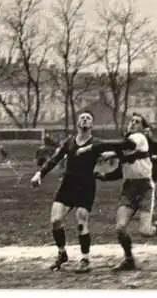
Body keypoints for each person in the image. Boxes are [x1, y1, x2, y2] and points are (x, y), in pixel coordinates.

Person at [77, 113, 157, 272]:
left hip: (144, 188)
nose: (132, 123)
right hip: (129, 189)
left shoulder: (138, 138)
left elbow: (123, 146)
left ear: (142, 128)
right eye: (131, 121)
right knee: (120, 228)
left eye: (137, 122)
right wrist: (103, 176)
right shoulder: (125, 145)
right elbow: (120, 171)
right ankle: (129, 260)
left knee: (146, 231)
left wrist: (91, 147)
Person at [30, 111, 118, 273]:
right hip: (68, 184)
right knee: (56, 220)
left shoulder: (96, 143)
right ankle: (62, 253)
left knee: (81, 220)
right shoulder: (69, 142)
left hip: (86, 185)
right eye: (82, 117)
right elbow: (54, 159)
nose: (85, 119)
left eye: (89, 118)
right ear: (78, 123)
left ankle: (85, 259)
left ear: (92, 125)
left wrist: (111, 154)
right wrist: (39, 174)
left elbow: (116, 150)